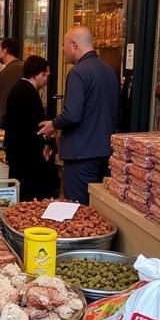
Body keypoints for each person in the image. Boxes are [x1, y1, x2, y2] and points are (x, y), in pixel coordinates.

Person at [38, 26, 119, 204]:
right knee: (100, 208)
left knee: (78, 209)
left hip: (81, 155)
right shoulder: (109, 71)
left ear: (74, 46)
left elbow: (72, 115)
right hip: (106, 152)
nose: (63, 51)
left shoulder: (77, 72)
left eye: (64, 46)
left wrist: (54, 124)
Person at [3, 55, 58, 201]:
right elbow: (36, 127)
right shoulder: (28, 92)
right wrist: (48, 143)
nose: (46, 79)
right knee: (28, 199)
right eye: (44, 75)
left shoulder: (19, 89)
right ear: (36, 74)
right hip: (27, 158)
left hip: (18, 155)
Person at [0, 37, 23, 121]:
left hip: (8, 120)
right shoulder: (24, 67)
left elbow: (2, 99)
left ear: (5, 51)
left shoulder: (6, 72)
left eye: (0, 48)